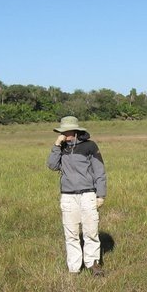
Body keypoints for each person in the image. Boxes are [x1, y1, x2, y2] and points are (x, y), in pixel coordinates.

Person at [47, 116, 107, 276]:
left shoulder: (90, 146)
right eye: (61, 131)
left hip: (88, 194)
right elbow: (52, 165)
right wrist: (56, 145)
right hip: (68, 196)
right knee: (71, 233)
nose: (63, 134)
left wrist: (100, 195)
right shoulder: (61, 148)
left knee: (91, 231)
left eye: (65, 131)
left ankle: (93, 264)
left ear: (74, 130)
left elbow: (99, 171)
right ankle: (74, 268)